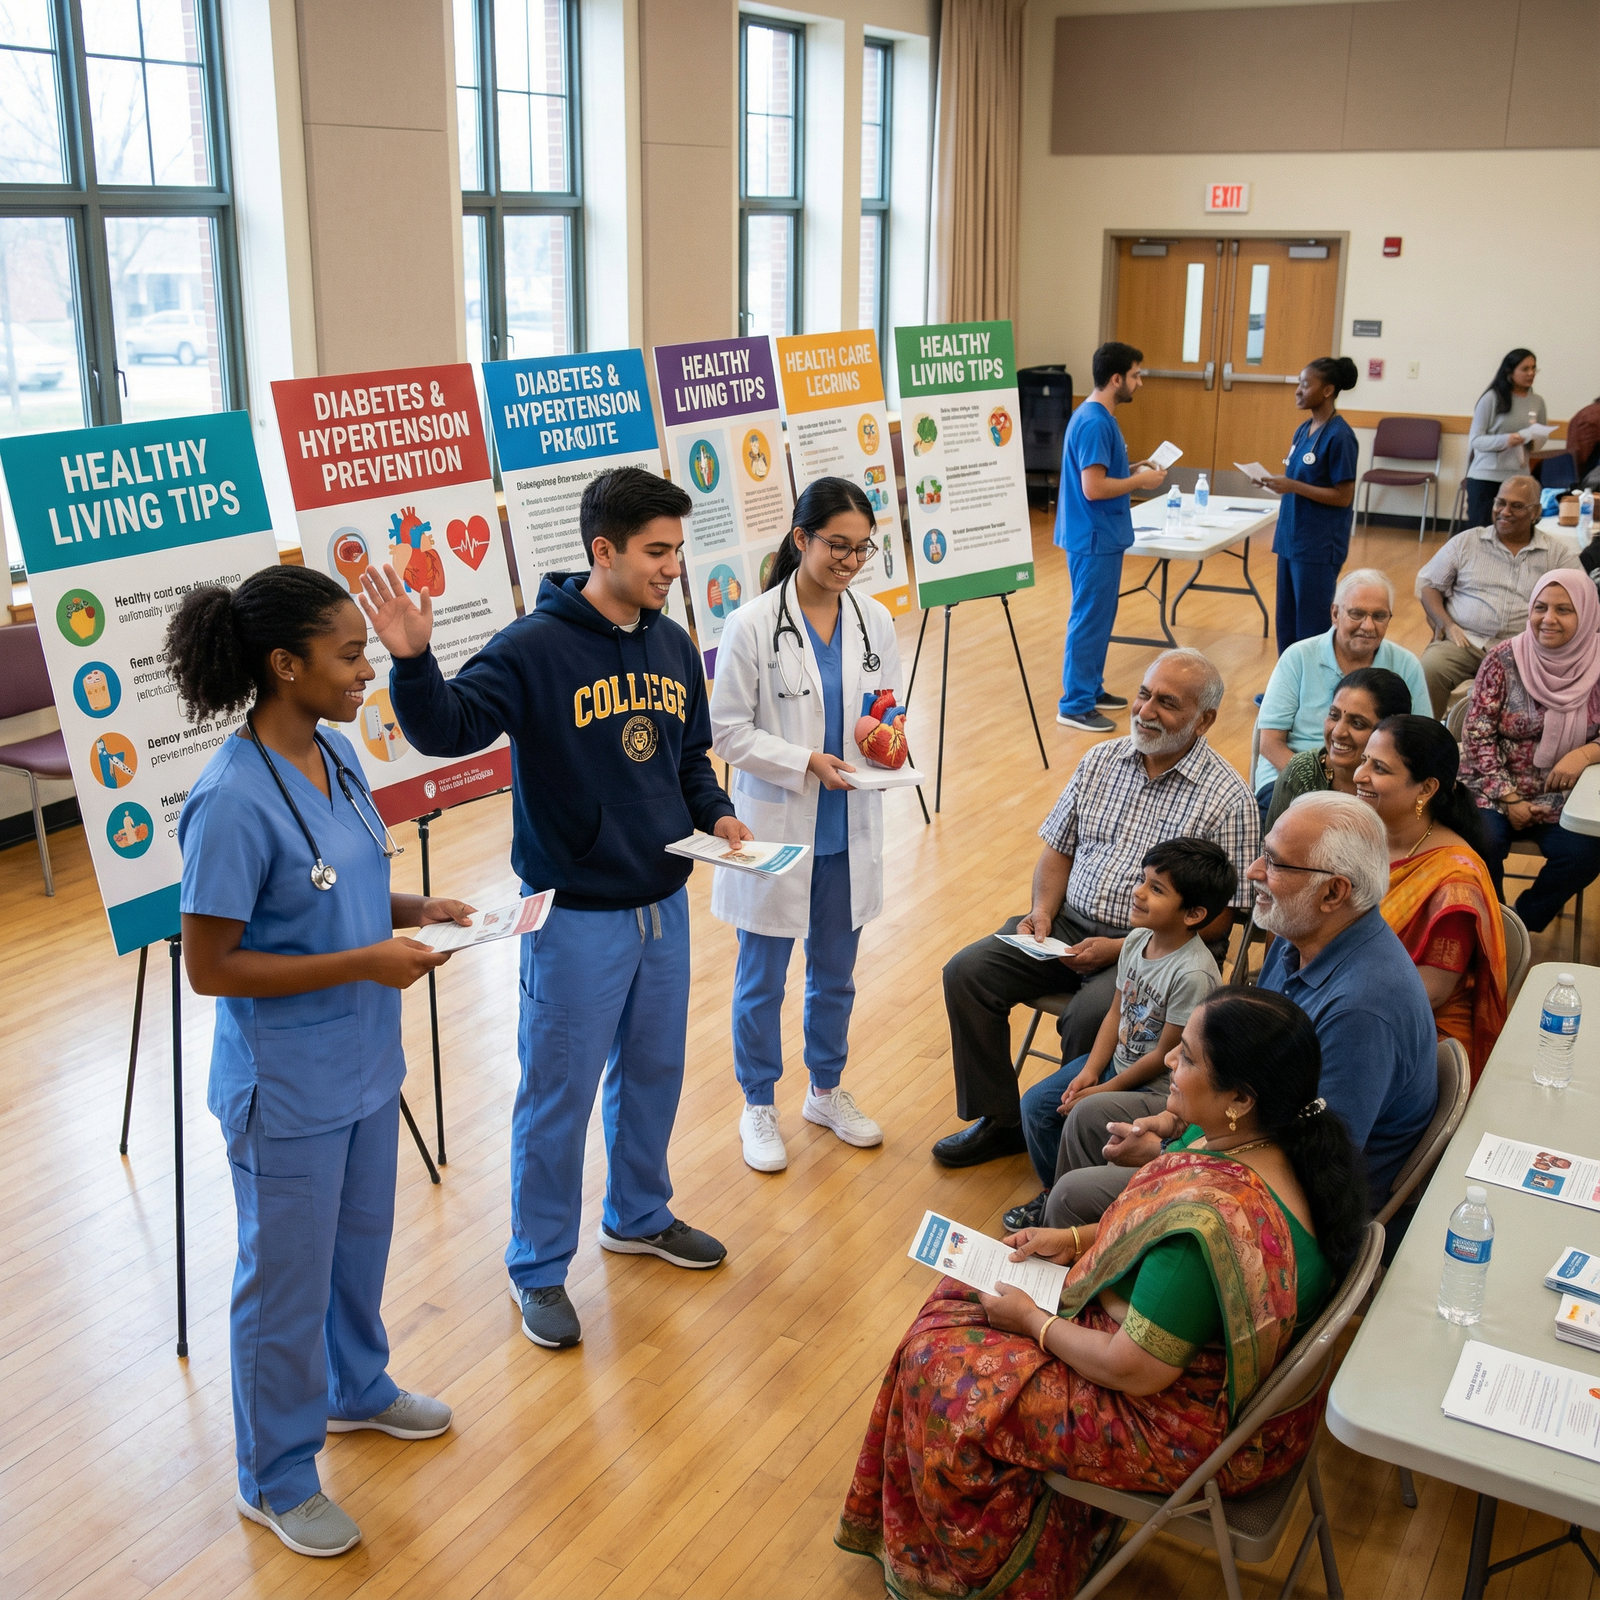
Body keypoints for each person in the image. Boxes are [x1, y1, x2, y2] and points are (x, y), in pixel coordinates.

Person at [366, 466, 750, 1353]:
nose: (671, 570)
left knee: (653, 1076)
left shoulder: (672, 643)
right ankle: (537, 1266)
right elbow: (448, 728)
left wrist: (717, 812)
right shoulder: (533, 646)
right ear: (602, 550)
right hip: (575, 916)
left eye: (678, 552)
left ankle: (638, 1214)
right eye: (657, 553)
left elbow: (687, 758)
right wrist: (414, 661)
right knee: (557, 1097)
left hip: (664, 907)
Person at [837, 988, 1365, 1600]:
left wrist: (1032, 1321)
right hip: (1234, 1394)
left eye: (1188, 1058)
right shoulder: (1270, 1144)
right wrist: (1074, 1238)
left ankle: (985, 1573)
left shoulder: (1212, 1225)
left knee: (941, 1368)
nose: (1169, 1061)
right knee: (965, 1287)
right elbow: (1157, 1216)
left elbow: (1133, 1372)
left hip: (1182, 1425)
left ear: (1239, 1099)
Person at [170, 566, 467, 1557]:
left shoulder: (335, 755)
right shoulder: (227, 801)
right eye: (348, 654)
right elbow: (211, 966)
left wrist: (416, 911)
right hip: (286, 1087)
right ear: (284, 664)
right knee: (285, 1283)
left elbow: (333, 888)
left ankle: (356, 1389)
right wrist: (364, 961)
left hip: (362, 1065)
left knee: (355, 1253)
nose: (366, 669)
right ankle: (277, 1474)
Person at [1043, 792, 1437, 1227]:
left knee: (1071, 1198)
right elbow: (1248, 1070)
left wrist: (1170, 1152)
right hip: (1246, 1127)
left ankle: (1100, 1273)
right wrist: (1176, 1124)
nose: (1253, 871)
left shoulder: (1362, 1011)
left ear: (1333, 892)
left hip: (1287, 1205)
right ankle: (1093, 1265)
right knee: (1087, 1119)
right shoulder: (1298, 934)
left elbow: (1311, 1161)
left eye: (1274, 862)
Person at [934, 648, 1257, 1169]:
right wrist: (1041, 911)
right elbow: (1058, 849)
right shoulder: (1100, 760)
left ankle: (1072, 1138)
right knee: (967, 972)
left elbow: (1225, 916)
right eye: (1144, 694)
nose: (1146, 711)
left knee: (1089, 1017)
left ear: (1205, 720)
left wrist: (1123, 946)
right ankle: (1001, 1121)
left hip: (1159, 947)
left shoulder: (1228, 798)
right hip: (1063, 926)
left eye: (1167, 703)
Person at [707, 477, 904, 1171]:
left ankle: (825, 1088)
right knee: (763, 977)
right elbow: (727, 733)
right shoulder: (753, 623)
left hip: (849, 825)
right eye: (836, 545)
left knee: (836, 973)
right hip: (778, 824)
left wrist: (889, 741)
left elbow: (885, 708)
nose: (849, 561)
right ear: (801, 540)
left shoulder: (873, 619)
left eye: (861, 549)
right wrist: (804, 760)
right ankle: (758, 1102)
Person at [1008, 838, 1231, 1232]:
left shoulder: (1193, 973)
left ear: (1194, 914)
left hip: (1159, 1087)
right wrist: (1091, 1072)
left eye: (1156, 889)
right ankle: (1054, 1192)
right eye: (1143, 880)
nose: (1138, 892)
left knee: (1081, 1110)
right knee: (1037, 1106)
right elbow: (1116, 1012)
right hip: (1118, 1063)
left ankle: (1076, 1212)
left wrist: (1103, 1091)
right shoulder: (1135, 941)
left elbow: (1164, 1054)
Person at [1354, 715, 1506, 1085]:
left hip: (1416, 1031)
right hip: (1352, 1001)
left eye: (1379, 768)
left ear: (1426, 789)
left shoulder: (1455, 878)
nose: (1359, 775)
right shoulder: (1360, 835)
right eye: (1363, 760)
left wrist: (1335, 1005)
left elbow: (1430, 993)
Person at [1461, 570, 1600, 931]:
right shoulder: (1504, 659)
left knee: (1585, 853)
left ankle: (1519, 925)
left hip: (1569, 798)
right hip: (1493, 789)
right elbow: (1476, 734)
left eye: (1564, 610)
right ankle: (1492, 924)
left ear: (1586, 614)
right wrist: (1509, 798)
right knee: (1478, 841)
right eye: (1540, 607)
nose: (1548, 619)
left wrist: (1585, 753)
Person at [1054, 341, 1167, 734]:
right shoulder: (1095, 421)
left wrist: (1133, 467)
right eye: (1136, 376)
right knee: (1089, 619)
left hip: (1098, 535)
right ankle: (1076, 703)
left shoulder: (1098, 418)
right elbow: (1094, 487)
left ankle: (1091, 688)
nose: (1139, 383)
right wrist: (1141, 481)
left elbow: (1099, 471)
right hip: (1094, 537)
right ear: (1116, 378)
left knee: (1099, 618)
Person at [1253, 568, 1429, 814]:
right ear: (1335, 613)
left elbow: (1421, 744)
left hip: (1375, 783)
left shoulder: (1406, 665)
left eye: (1379, 616)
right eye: (1357, 614)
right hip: (1292, 776)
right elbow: (1270, 743)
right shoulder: (1299, 657)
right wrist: (1321, 787)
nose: (1368, 626)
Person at [1415, 475, 1576, 716]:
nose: (1505, 511)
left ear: (1536, 512)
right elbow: (1428, 584)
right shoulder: (1467, 542)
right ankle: (1423, 739)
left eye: (1517, 506)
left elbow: (1581, 598)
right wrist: (1445, 623)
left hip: (1524, 646)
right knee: (1429, 668)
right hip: (1464, 640)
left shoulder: (1556, 554)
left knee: (1536, 694)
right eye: (1500, 502)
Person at [1258, 357, 1360, 653]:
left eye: (1305, 384)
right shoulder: (1304, 430)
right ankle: (1286, 690)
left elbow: (1344, 496)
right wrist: (1273, 482)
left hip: (1317, 546)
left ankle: (1311, 692)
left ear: (1327, 390)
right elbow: (1298, 479)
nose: (1298, 391)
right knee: (1286, 622)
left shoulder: (1340, 436)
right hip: (1291, 540)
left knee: (1311, 626)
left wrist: (1293, 486)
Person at [1264, 665, 1413, 831]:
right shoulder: (1301, 774)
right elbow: (1272, 853)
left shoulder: (1408, 782)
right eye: (1334, 716)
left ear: (1391, 730)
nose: (1337, 732)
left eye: (1357, 723)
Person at [1464, 349, 1547, 531]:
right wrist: (1508, 439)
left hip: (1519, 477)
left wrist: (1532, 439)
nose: (1531, 373)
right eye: (1525, 369)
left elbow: (1539, 442)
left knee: (1516, 532)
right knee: (1482, 532)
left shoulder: (1537, 402)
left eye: (1534, 368)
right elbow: (1476, 440)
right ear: (1509, 372)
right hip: (1487, 477)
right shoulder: (1491, 398)